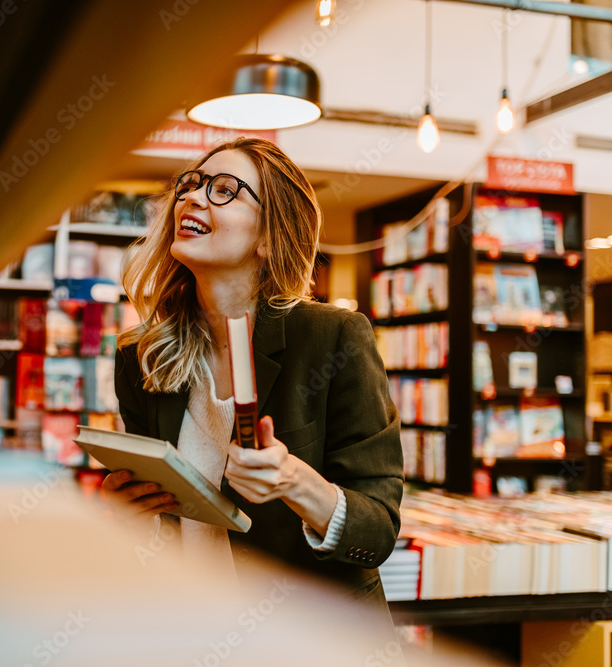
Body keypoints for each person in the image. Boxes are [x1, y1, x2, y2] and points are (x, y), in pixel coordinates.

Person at [106, 137, 403, 613]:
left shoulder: (333, 337)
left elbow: (378, 529)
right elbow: (163, 522)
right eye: (192, 184)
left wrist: (293, 482)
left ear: (269, 238)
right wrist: (128, 506)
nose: (193, 197)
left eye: (225, 189)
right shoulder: (143, 355)